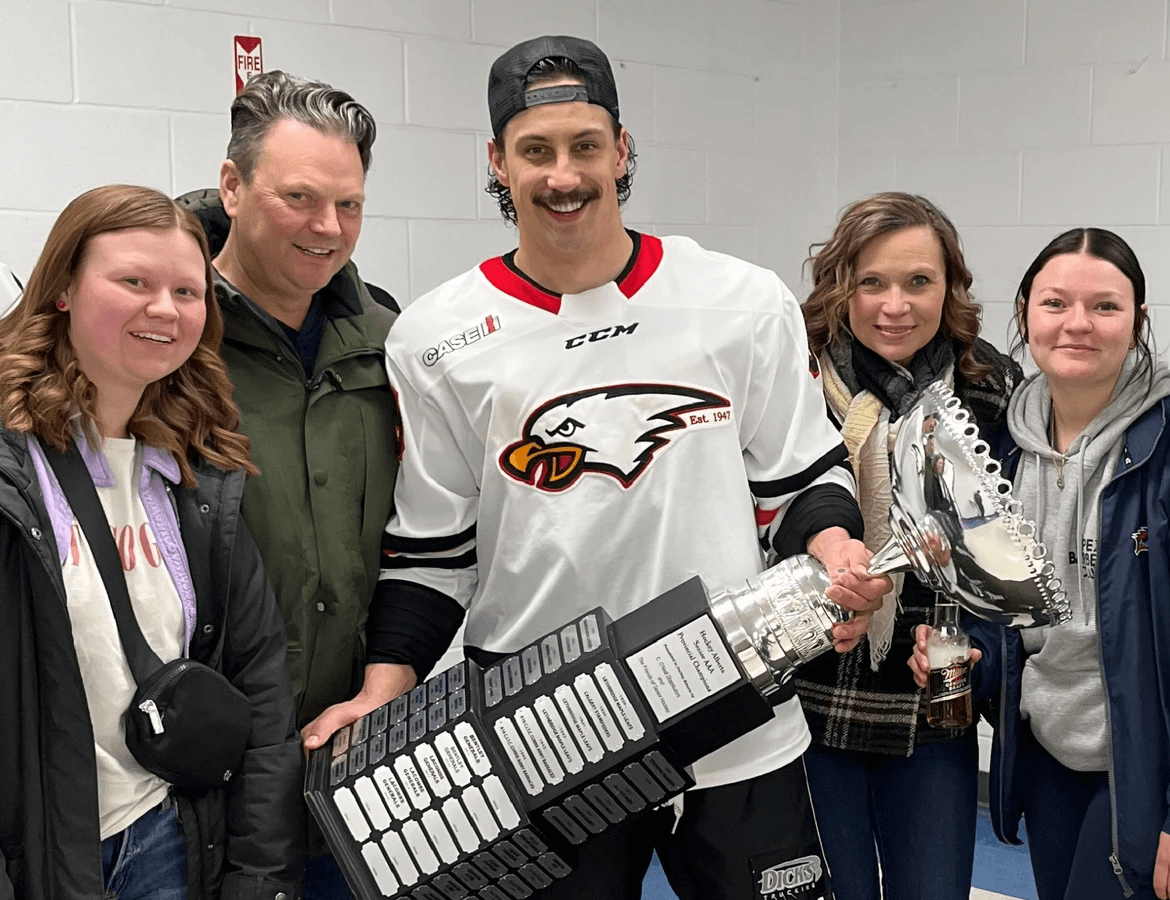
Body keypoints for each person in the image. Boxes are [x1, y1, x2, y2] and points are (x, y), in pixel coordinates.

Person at [301, 34, 891, 899]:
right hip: (543, 727)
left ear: (622, 150)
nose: (563, 175)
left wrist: (834, 545)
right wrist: (381, 689)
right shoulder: (433, 336)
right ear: (497, 161)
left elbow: (801, 477)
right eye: (535, 151)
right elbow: (432, 551)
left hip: (733, 706)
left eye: (585, 146)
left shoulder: (738, 298)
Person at [0, 184, 304, 900]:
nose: (165, 309)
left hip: (168, 840)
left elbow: (258, 680)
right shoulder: (14, 468)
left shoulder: (197, 470)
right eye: (133, 282)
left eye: (187, 291)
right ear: (65, 288)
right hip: (36, 853)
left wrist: (260, 875)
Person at [911, 227, 1170, 900]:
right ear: (1025, 316)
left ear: (1138, 322)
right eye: (1055, 304)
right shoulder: (1006, 451)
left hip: (1142, 766)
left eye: (1105, 306)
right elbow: (1014, 610)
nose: (1077, 324)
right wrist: (974, 655)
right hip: (1046, 755)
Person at [175, 70, 400, 897]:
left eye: (349, 205)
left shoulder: (386, 340)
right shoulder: (166, 337)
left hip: (351, 752)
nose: (327, 228)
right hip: (199, 772)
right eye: (300, 198)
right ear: (232, 186)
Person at [796, 192, 1023, 900]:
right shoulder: (793, 382)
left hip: (931, 703)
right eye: (873, 282)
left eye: (918, 282)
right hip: (807, 700)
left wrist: (977, 651)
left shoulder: (989, 387)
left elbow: (1009, 559)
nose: (895, 305)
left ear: (949, 287)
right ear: (841, 286)